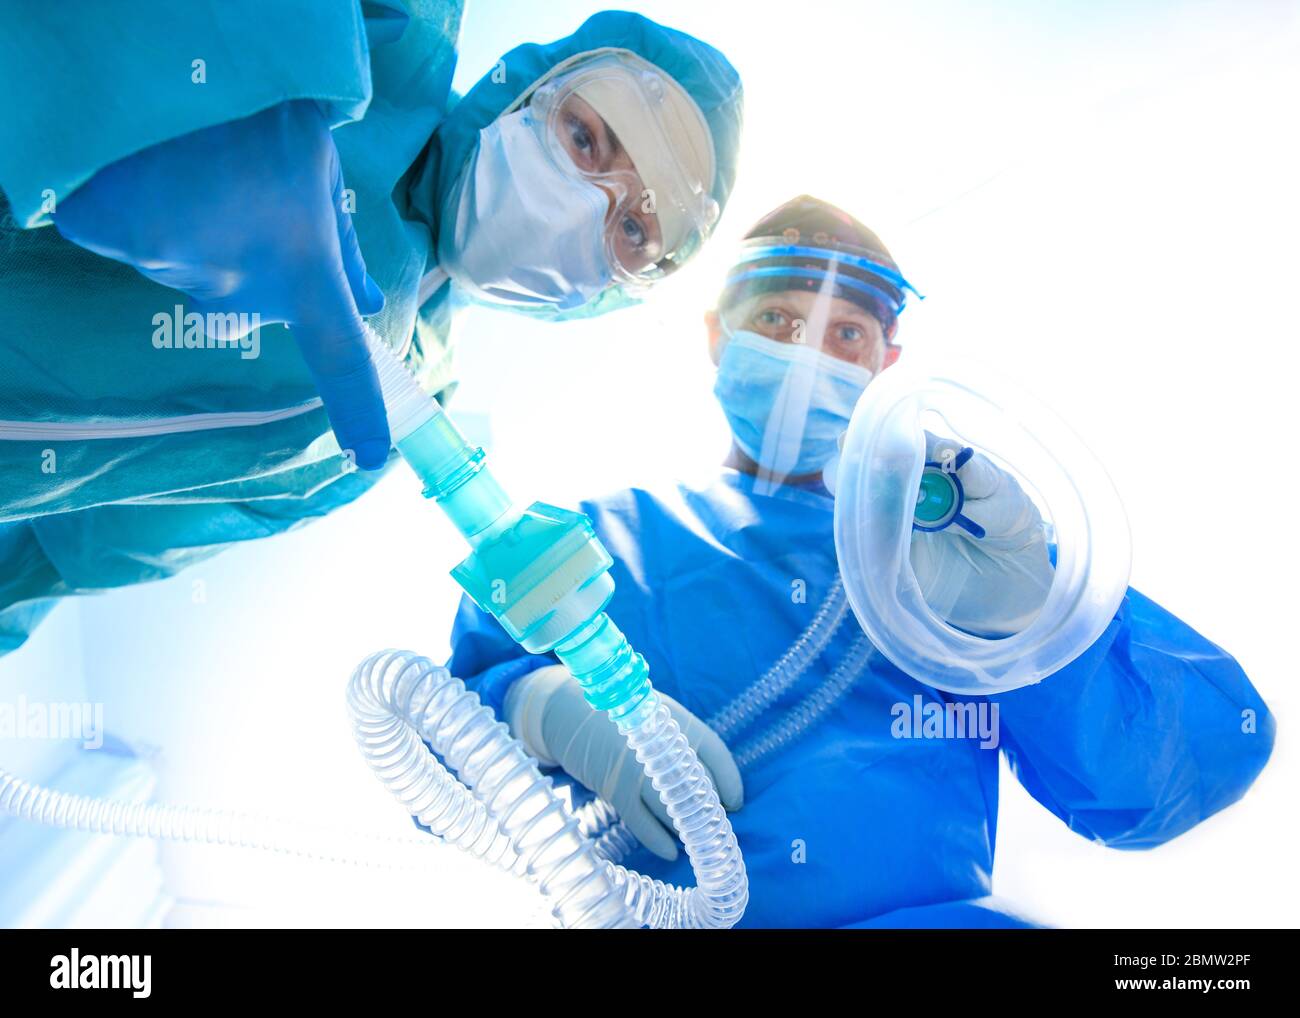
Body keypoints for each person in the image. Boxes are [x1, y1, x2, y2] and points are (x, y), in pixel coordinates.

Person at [445, 195, 1276, 928]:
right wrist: (539, 705)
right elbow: (436, 758)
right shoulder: (604, 540)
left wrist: (1030, 620)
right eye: (777, 320)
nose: (808, 356)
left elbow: (1180, 770)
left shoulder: (953, 560)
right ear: (716, 334)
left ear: (889, 366)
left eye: (846, 333)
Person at [0, 6, 742, 654]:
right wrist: (188, 74)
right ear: (525, 93)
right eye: (585, 139)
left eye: (635, 229)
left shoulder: (386, 431)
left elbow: (75, 550)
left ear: (616, 294)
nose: (582, 205)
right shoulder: (378, 46)